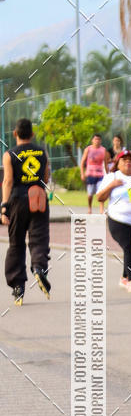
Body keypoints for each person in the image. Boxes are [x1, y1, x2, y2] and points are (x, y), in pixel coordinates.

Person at [1, 118, 51, 305]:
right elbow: (46, 177)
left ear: (15, 133)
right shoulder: (41, 152)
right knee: (39, 238)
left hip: (17, 200)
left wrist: (4, 206)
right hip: (38, 198)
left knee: (16, 242)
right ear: (32, 133)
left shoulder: (9, 154)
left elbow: (7, 181)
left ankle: (18, 286)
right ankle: (39, 268)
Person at [96, 149, 131, 293]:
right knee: (130, 247)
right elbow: (100, 197)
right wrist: (111, 186)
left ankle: (123, 277)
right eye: (124, 159)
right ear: (118, 164)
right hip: (118, 220)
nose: (128, 161)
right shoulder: (112, 177)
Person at [80, 134, 109, 213]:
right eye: (95, 139)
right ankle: (90, 208)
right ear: (92, 140)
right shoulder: (88, 149)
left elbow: (106, 164)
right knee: (90, 193)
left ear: (101, 141)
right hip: (90, 174)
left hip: (100, 175)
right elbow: (82, 162)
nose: (97, 141)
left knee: (101, 192)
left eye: (99, 139)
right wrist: (82, 174)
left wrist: (108, 175)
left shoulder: (103, 150)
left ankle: (101, 210)